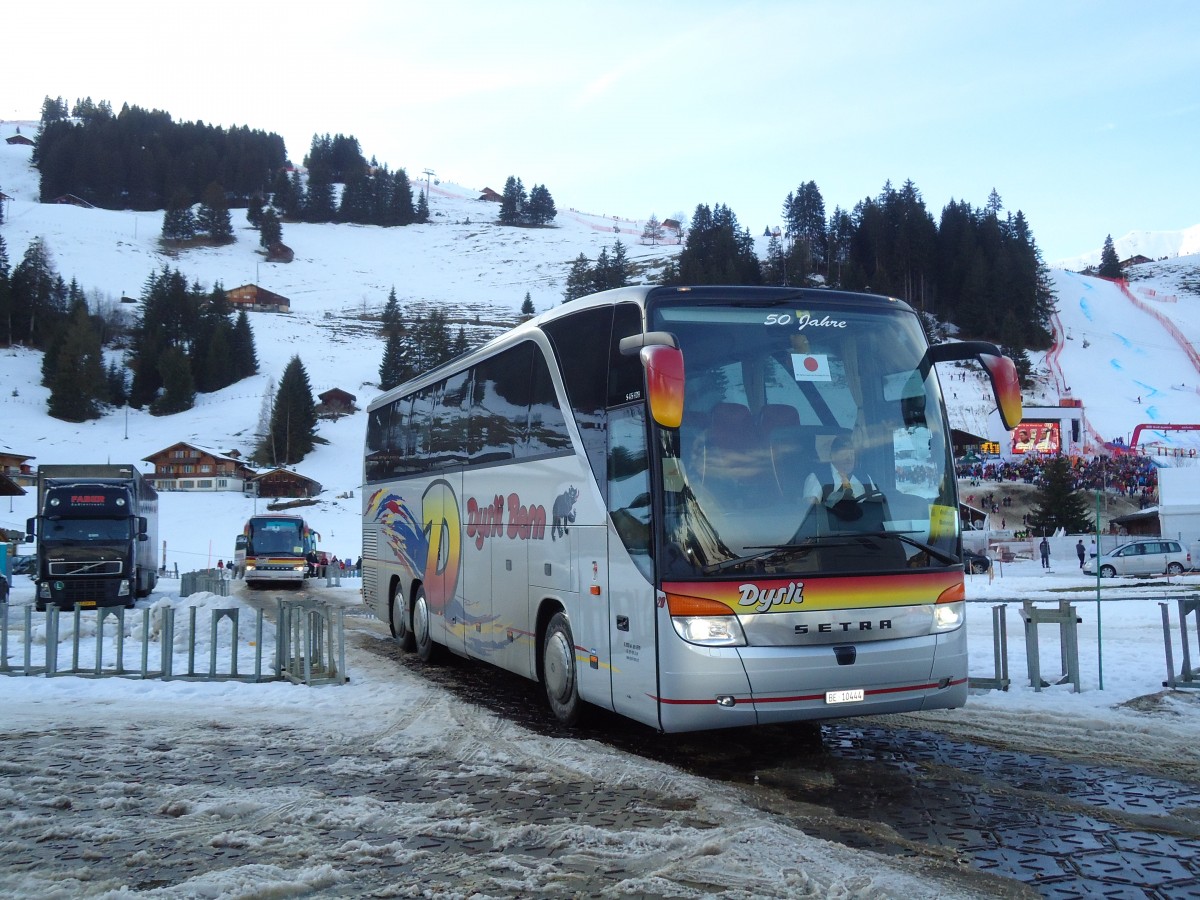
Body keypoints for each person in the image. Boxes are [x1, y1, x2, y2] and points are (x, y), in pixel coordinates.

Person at [803, 435, 879, 522]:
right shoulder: (817, 477)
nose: (849, 458)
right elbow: (811, 514)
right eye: (844, 454)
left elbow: (878, 504)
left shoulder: (864, 477)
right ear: (832, 456)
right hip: (832, 532)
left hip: (868, 530)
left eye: (852, 454)